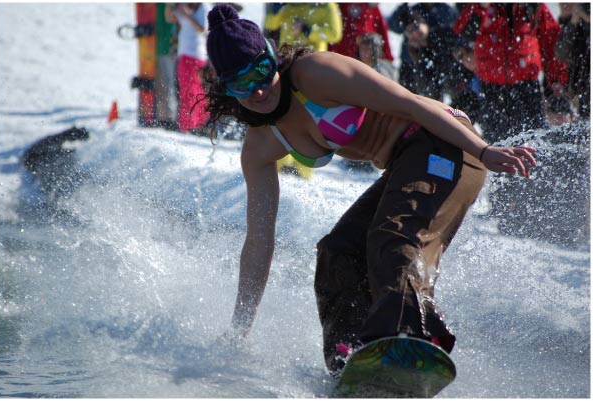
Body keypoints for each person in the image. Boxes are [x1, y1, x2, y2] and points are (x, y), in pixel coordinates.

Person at [203, 4, 536, 375]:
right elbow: (259, 241)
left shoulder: (315, 73)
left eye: (262, 71)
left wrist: (484, 150)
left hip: (447, 143)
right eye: (241, 83)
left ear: (272, 57)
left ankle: (411, 340)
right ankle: (354, 359)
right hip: (404, 163)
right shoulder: (260, 146)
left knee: (393, 238)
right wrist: (240, 328)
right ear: (226, 88)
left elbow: (410, 104)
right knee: (338, 252)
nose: (258, 89)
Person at [453, 4, 569, 143]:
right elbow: (461, 31)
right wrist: (480, 7)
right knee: (496, 144)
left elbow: (552, 45)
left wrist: (556, 82)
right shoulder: (481, 7)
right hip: (492, 89)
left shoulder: (533, 6)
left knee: (535, 141)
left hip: (527, 87)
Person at [165, 3, 210, 133]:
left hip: (195, 54)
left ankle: (195, 124)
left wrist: (188, 15)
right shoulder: (185, 5)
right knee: (185, 89)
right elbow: (170, 18)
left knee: (194, 90)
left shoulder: (204, 7)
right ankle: (188, 124)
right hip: (183, 54)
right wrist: (168, 5)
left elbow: (203, 29)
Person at [555, 3, 590, 119]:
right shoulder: (572, 23)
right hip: (583, 92)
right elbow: (561, 53)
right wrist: (574, 22)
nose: (565, 4)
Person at [264, 2, 343, 52]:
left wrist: (307, 30)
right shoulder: (289, 4)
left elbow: (335, 34)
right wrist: (275, 10)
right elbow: (270, 25)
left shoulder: (326, 5)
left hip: (313, 59)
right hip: (286, 58)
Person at [329, 3, 393, 63]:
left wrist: (387, 57)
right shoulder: (335, 5)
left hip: (365, 59)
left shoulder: (371, 7)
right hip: (339, 56)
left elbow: (382, 31)